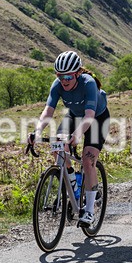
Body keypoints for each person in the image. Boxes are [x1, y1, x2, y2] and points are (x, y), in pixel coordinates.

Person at [28, 51, 109, 227]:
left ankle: (89, 211)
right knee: (57, 145)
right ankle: (74, 184)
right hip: (74, 116)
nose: (63, 80)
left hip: (97, 119)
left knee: (88, 160)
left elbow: (89, 116)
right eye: (59, 75)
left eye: (68, 76)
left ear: (77, 73)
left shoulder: (88, 83)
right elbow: (48, 111)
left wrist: (77, 135)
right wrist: (37, 131)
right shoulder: (57, 85)